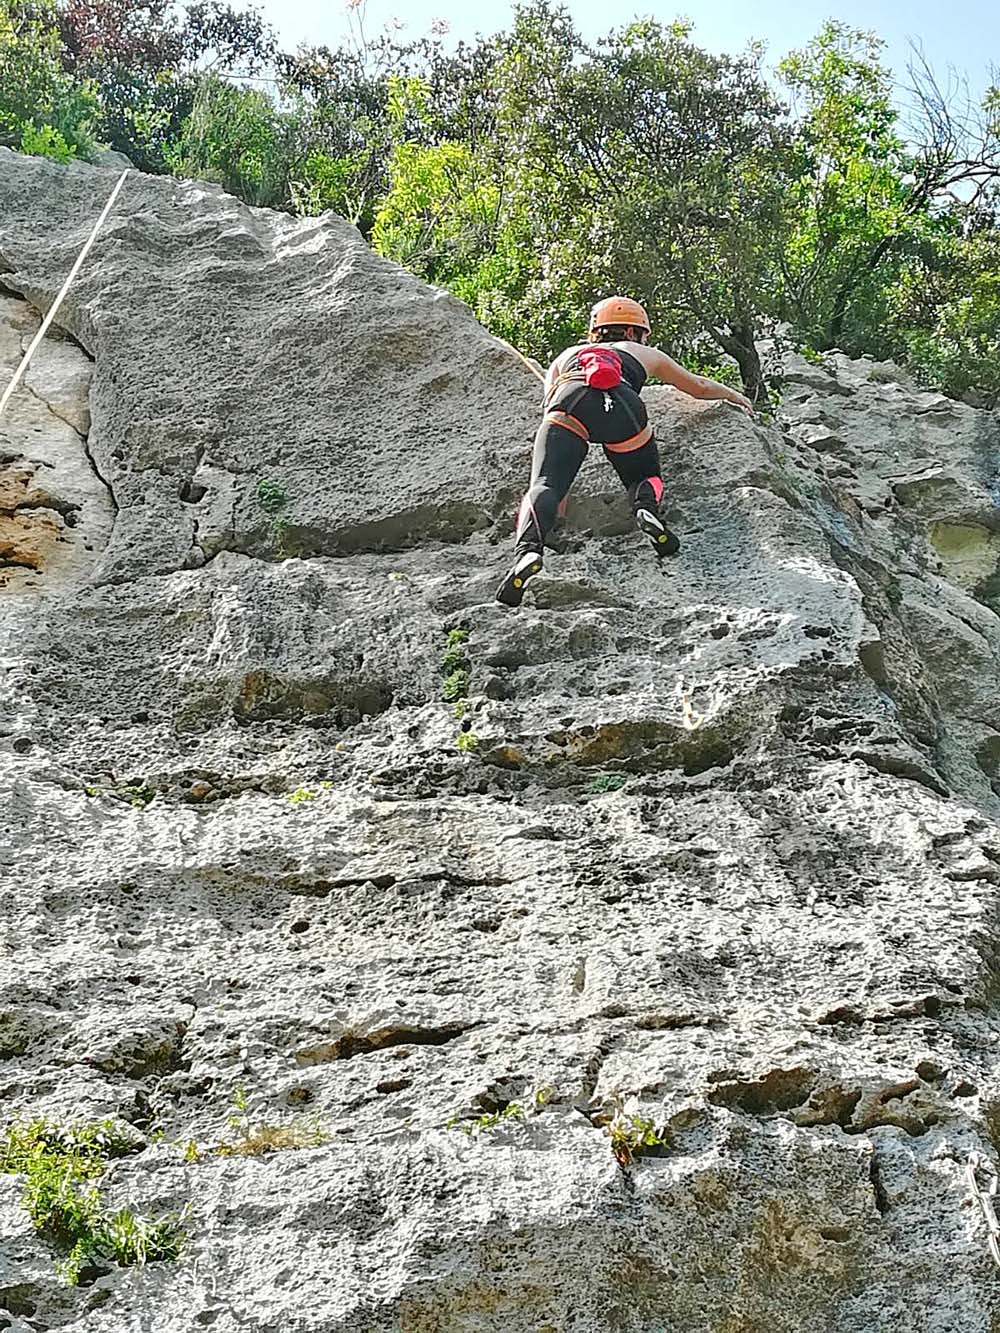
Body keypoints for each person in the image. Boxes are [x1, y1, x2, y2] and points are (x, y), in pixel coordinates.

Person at [495, 296, 755, 607]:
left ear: (595, 331)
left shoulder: (566, 356)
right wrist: (738, 397)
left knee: (545, 484)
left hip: (570, 401)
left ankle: (528, 551)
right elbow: (698, 387)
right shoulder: (645, 353)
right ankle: (645, 508)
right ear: (633, 332)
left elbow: (549, 406)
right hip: (624, 405)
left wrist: (558, 501)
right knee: (644, 475)